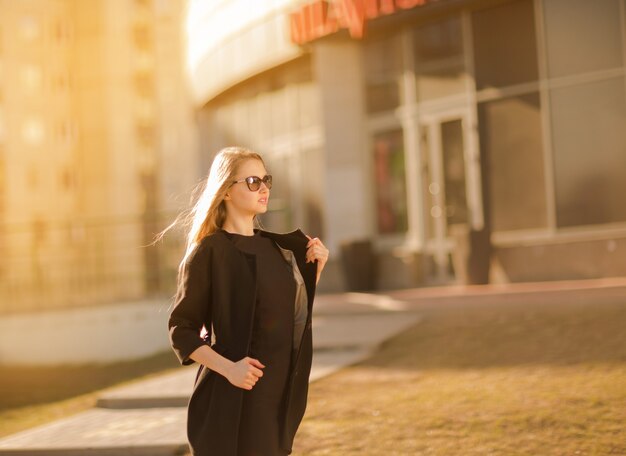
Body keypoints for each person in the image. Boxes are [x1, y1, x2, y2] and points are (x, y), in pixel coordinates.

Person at [157, 146, 329, 456]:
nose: (263, 188)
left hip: (275, 400)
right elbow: (180, 329)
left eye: (266, 180)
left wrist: (315, 271)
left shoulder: (279, 251)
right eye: (252, 181)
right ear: (225, 191)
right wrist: (230, 369)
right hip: (230, 403)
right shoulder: (210, 252)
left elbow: (287, 314)